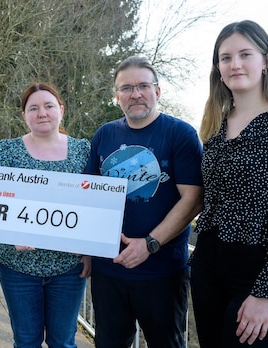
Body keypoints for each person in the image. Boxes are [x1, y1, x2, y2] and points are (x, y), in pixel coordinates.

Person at [188, 20, 268, 348]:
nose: (235, 64)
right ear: (217, 68)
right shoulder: (215, 128)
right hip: (208, 265)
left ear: (267, 60)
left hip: (259, 270)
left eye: (245, 54)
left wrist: (267, 292)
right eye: (225, 57)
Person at [84, 55, 204, 347]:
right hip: (108, 272)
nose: (135, 94)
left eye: (143, 86)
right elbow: (90, 197)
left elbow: (194, 199)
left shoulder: (180, 134)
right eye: (126, 88)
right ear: (116, 96)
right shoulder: (104, 135)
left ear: (157, 91)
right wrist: (87, 251)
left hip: (162, 273)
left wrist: (149, 244)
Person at [0, 82, 91, 348]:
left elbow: (94, 207)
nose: (42, 112)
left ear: (61, 110)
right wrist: (11, 232)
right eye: (33, 108)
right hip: (18, 266)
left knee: (63, 342)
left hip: (69, 267)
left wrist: (91, 251)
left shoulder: (84, 151)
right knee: (26, 341)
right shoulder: (7, 150)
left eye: (48, 106)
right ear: (24, 115)